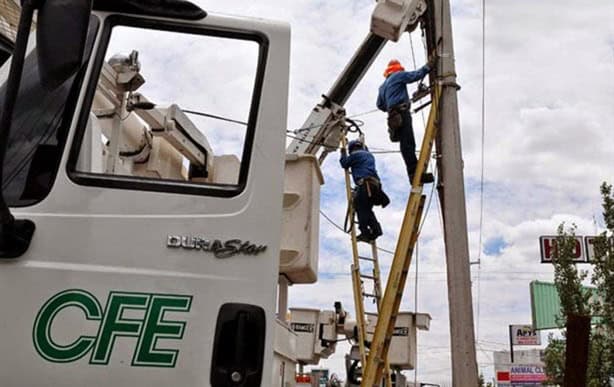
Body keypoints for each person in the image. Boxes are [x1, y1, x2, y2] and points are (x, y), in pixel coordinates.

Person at [377, 58, 435, 185]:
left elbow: (379, 105)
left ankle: (412, 173)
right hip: (402, 113)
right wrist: (428, 66)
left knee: (405, 143)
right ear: (398, 69)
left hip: (392, 116)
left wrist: (390, 104)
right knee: (408, 143)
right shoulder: (399, 75)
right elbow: (415, 75)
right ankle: (415, 173)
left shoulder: (382, 87)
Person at [340, 139, 389, 243]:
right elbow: (365, 150)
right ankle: (376, 229)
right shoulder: (369, 155)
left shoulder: (355, 155)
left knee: (360, 207)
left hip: (365, 184)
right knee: (366, 209)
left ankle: (365, 233)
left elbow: (344, 163)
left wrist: (343, 152)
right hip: (375, 186)